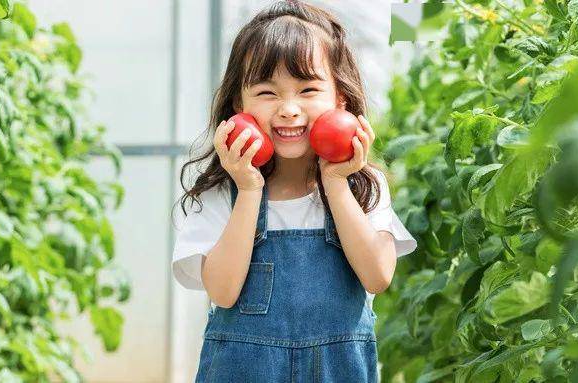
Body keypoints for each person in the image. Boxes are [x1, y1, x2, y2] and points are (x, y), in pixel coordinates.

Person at [170, 1, 417, 381]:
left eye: (307, 89)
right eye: (268, 92)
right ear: (240, 104)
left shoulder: (362, 187)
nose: (288, 109)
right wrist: (249, 190)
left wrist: (335, 183)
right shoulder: (224, 191)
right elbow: (222, 291)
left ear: (340, 100)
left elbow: (377, 276)